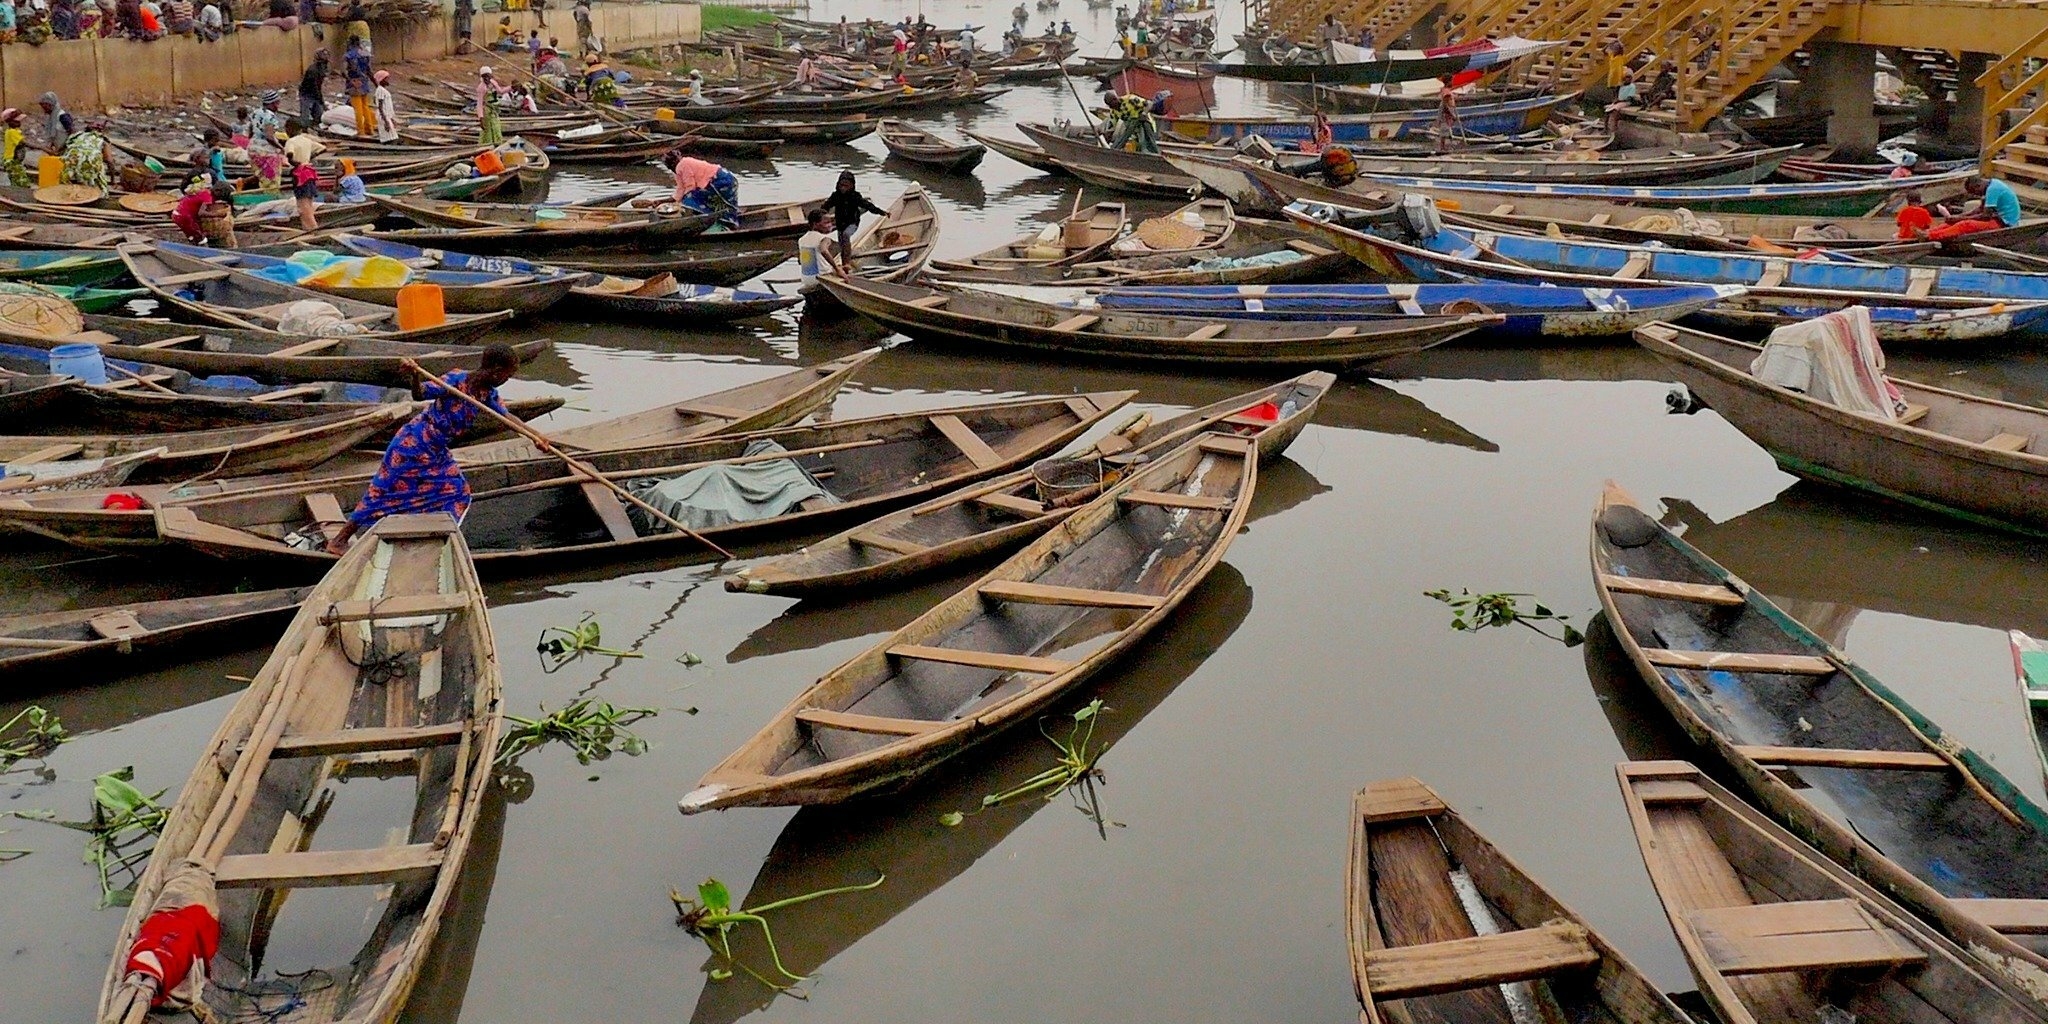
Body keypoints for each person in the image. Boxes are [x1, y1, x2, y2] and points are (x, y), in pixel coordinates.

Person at [325, 346, 520, 555]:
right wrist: (415, 375)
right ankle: (338, 541)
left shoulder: (486, 393)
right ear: (497, 371)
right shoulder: (456, 380)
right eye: (508, 375)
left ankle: (434, 540)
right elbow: (420, 394)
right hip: (413, 444)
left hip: (436, 450)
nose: (507, 379)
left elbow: (507, 416)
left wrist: (538, 438)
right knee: (382, 492)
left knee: (457, 491)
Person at [822, 171, 884, 275]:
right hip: (840, 223)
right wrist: (821, 217)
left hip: (852, 223)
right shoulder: (836, 196)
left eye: (846, 186)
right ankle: (844, 265)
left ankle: (847, 263)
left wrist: (881, 212)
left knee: (846, 235)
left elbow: (867, 205)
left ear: (852, 186)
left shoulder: (855, 196)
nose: (843, 188)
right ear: (838, 185)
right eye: (841, 185)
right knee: (842, 244)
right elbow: (826, 207)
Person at [1930, 175, 2023, 240]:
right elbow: (1980, 209)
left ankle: (1931, 236)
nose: (1975, 195)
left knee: (1964, 225)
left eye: (1974, 192)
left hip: (2005, 222)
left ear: (1978, 186)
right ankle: (1929, 232)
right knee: (1952, 223)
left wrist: (1960, 219)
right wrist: (1959, 216)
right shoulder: (1991, 184)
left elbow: (1985, 216)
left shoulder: (1993, 190)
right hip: (1997, 218)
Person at [665, 151, 739, 227]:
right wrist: (661, 201)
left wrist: (681, 203)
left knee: (688, 200)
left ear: (673, 163)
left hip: (719, 181)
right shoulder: (679, 170)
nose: (670, 169)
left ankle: (716, 220)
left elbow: (690, 187)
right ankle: (725, 219)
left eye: (669, 166)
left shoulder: (682, 164)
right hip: (726, 178)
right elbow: (680, 191)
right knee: (726, 205)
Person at [60, 118, 111, 193]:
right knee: (100, 183)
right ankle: (100, 194)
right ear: (101, 131)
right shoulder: (102, 140)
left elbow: (62, 150)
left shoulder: (76, 136)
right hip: (90, 165)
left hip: (70, 164)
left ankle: (66, 188)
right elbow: (110, 161)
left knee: (73, 166)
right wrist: (112, 181)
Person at [796, 206, 834, 291]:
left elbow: (800, 261)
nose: (830, 225)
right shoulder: (824, 238)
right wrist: (838, 269)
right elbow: (823, 250)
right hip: (821, 279)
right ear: (815, 224)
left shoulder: (801, 240)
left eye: (830, 222)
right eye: (826, 223)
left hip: (806, 280)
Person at [344, 36, 374, 137]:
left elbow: (343, 71)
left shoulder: (348, 55)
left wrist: (351, 81)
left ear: (350, 43)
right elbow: (369, 70)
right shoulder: (365, 54)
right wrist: (376, 84)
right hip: (364, 83)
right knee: (366, 107)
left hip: (354, 83)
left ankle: (360, 131)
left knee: (358, 109)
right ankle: (370, 129)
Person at [288, 147, 318, 230]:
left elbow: (292, 160)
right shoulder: (306, 150)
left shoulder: (292, 146)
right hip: (308, 175)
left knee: (303, 207)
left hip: (302, 177)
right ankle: (307, 227)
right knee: (307, 204)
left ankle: (313, 228)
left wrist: (290, 158)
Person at [298, 50, 329, 129]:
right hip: (307, 93)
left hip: (315, 93)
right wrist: (321, 101)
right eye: (324, 54)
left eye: (327, 54)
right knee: (305, 117)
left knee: (319, 116)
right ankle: (303, 131)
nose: (326, 56)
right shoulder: (313, 69)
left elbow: (318, 86)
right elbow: (314, 86)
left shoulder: (323, 67)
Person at [475, 66, 503, 144]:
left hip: (494, 111)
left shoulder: (493, 83)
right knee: (487, 132)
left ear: (491, 76)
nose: (486, 78)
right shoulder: (481, 88)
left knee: (496, 128)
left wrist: (511, 88)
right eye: (484, 77)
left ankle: (497, 144)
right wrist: (481, 118)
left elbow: (500, 91)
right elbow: (479, 104)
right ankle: (487, 147)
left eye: (488, 76)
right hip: (486, 113)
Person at [37, 92, 71, 156]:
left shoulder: (63, 116)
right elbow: (53, 135)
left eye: (45, 106)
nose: (43, 109)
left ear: (50, 104)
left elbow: (72, 134)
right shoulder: (51, 119)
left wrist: (63, 147)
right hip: (58, 151)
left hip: (66, 150)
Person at [0, 110, 28, 188]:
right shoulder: (12, 132)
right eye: (16, 121)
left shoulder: (11, 131)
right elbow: (23, 142)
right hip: (12, 160)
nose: (19, 123)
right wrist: (44, 148)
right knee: (23, 182)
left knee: (15, 180)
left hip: (11, 160)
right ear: (9, 122)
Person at [1432, 80, 1459, 154]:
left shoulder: (1446, 90)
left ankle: (1446, 146)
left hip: (1446, 116)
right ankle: (1443, 148)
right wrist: (1453, 115)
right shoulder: (1446, 92)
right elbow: (1446, 105)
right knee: (1444, 133)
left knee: (1447, 132)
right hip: (1445, 116)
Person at [371, 69, 398, 142]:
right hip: (384, 116)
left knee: (391, 136)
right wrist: (386, 121)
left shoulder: (382, 90)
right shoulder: (380, 90)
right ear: (381, 80)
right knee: (389, 137)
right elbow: (380, 107)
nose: (388, 81)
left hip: (387, 116)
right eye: (386, 79)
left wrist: (391, 119)